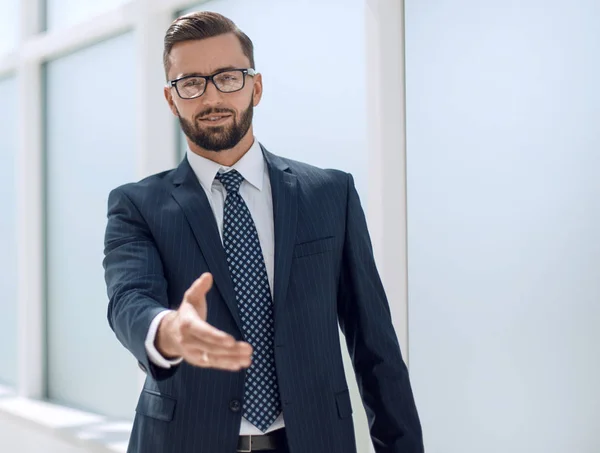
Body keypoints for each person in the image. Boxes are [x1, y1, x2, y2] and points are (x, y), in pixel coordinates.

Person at [103, 11, 423, 453]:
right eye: (191, 83)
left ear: (255, 86)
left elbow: (375, 346)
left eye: (228, 77)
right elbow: (128, 299)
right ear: (171, 98)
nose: (211, 96)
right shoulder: (137, 206)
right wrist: (168, 330)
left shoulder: (330, 194)